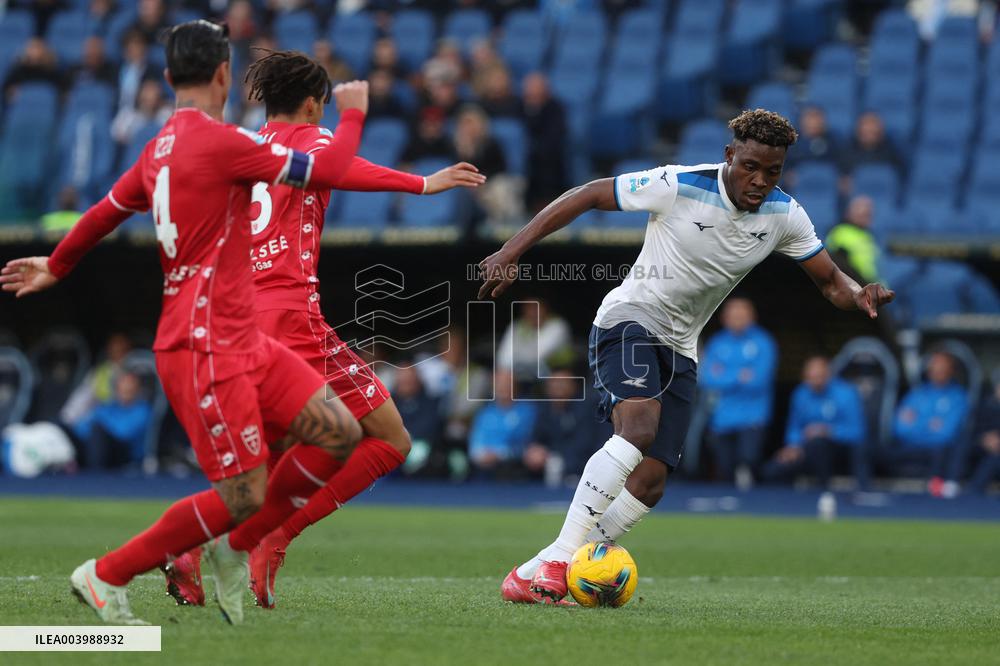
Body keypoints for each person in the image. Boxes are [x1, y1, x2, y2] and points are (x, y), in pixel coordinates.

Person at [1, 20, 372, 626]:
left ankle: (237, 544)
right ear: (224, 75)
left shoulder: (158, 150)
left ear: (169, 77)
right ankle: (108, 573)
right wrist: (352, 116)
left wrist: (58, 264)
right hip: (204, 344)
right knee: (244, 493)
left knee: (336, 432)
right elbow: (327, 172)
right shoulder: (224, 143)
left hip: (240, 335)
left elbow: (104, 211)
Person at [478, 108, 894, 604]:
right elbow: (589, 193)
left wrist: (857, 293)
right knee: (637, 428)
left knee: (650, 482)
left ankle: (531, 573)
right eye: (750, 167)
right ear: (729, 155)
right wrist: (510, 251)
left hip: (681, 347)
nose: (760, 180)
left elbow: (830, 281)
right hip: (628, 318)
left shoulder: (784, 215)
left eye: (773, 171)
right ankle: (561, 559)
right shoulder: (678, 184)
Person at [161, 48, 485, 610]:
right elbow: (344, 167)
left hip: (235, 313)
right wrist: (423, 184)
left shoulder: (243, 143)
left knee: (273, 454)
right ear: (313, 104)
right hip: (290, 314)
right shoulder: (312, 141)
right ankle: (270, 539)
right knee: (389, 439)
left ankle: (194, 549)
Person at [701, 297, 777, 488]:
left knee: (749, 463)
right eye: (733, 315)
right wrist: (739, 375)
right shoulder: (717, 343)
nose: (737, 319)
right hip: (722, 418)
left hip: (752, 417)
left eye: (742, 314)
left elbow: (759, 380)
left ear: (752, 317)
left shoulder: (764, 342)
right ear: (724, 318)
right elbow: (706, 379)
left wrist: (724, 375)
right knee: (724, 469)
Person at [760, 356, 868, 489]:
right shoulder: (800, 394)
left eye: (820, 376)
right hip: (807, 448)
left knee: (819, 444)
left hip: (840, 450)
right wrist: (793, 446)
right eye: (812, 377)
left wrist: (828, 431)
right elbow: (794, 427)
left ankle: (824, 491)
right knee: (772, 470)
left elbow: (857, 432)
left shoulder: (846, 393)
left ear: (828, 374)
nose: (816, 381)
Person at [883, 351, 969, 495]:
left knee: (946, 449)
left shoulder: (958, 397)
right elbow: (899, 429)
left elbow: (946, 434)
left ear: (951, 371)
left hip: (938, 450)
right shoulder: (917, 394)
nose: (937, 371)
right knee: (871, 447)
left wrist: (917, 423)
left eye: (942, 367)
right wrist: (929, 425)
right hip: (909, 447)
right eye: (934, 366)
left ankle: (939, 491)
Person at [524, 368, 609, 485]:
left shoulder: (587, 409)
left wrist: (557, 458)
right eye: (554, 383)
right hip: (548, 474)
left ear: (573, 386)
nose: (557, 387)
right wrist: (534, 451)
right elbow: (536, 439)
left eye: (562, 383)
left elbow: (585, 444)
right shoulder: (544, 410)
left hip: (584, 474)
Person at [74, 370, 153, 470]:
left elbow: (124, 434)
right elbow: (80, 429)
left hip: (126, 454)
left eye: (130, 389)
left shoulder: (143, 409)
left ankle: (95, 474)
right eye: (123, 389)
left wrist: (102, 424)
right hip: (98, 448)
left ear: (137, 390)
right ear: (117, 389)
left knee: (98, 432)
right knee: (62, 427)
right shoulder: (108, 406)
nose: (126, 392)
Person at [467, 369, 537, 478]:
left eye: (507, 384)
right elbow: (475, 443)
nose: (503, 388)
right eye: (499, 384)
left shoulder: (527, 411)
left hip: (515, 469)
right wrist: (480, 455)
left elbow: (527, 444)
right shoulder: (485, 412)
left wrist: (500, 454)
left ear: (515, 386)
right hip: (483, 469)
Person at [521, 72, 567, 213]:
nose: (532, 92)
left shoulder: (555, 109)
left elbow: (553, 139)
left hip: (547, 162)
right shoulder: (519, 107)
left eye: (536, 88)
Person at [496, 298, 573, 381]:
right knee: (503, 377)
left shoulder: (558, 325)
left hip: (555, 371)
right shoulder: (516, 326)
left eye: (536, 307)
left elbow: (537, 355)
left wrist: (518, 353)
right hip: (521, 374)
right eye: (529, 308)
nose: (533, 312)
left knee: (560, 379)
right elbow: (504, 359)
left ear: (545, 308)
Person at [826, 195, 879, 284]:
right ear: (849, 213)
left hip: (870, 285)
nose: (866, 218)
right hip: (855, 285)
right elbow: (839, 266)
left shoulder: (868, 235)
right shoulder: (840, 233)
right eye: (863, 214)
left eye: (868, 215)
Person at [837, 111, 903, 174]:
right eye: (866, 124)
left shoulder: (892, 153)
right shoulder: (846, 154)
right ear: (858, 128)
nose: (869, 129)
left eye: (873, 124)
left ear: (881, 128)